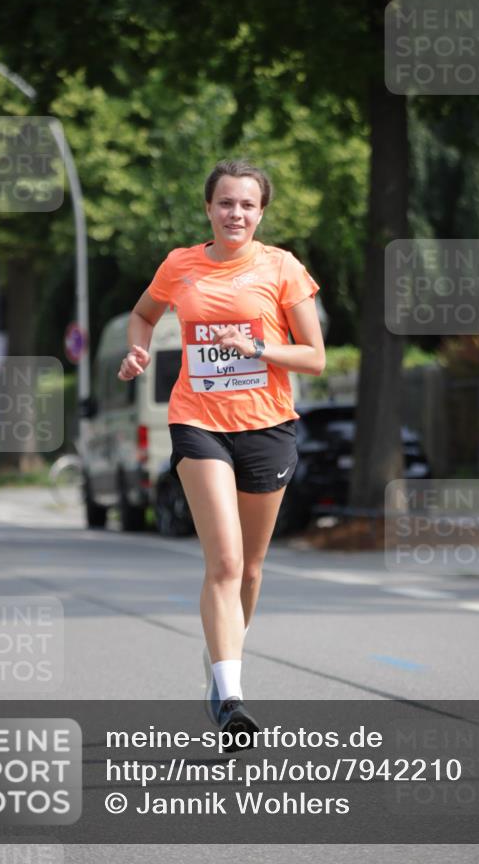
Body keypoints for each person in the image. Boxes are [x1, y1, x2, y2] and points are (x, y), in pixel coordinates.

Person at [117, 158, 325, 743]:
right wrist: (137, 350)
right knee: (225, 563)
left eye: (247, 205)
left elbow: (314, 356)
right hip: (198, 421)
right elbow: (142, 315)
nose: (236, 213)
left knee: (253, 570)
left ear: (261, 213)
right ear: (208, 208)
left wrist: (259, 348)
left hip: (267, 426)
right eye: (226, 203)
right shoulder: (180, 265)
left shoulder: (282, 268)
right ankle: (231, 695)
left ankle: (223, 663)